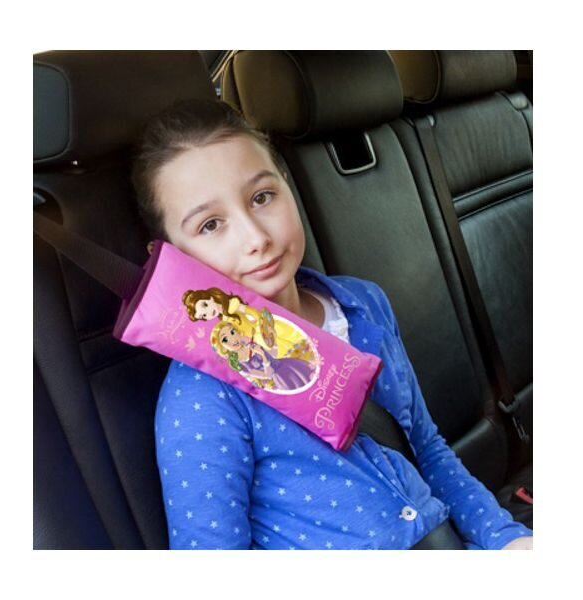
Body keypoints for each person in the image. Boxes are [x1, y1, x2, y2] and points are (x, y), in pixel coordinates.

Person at [131, 97, 533, 550]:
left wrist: (505, 538)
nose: (255, 238)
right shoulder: (201, 396)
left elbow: (427, 449)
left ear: (288, 185)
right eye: (210, 225)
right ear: (170, 258)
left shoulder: (362, 304)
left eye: (262, 197)